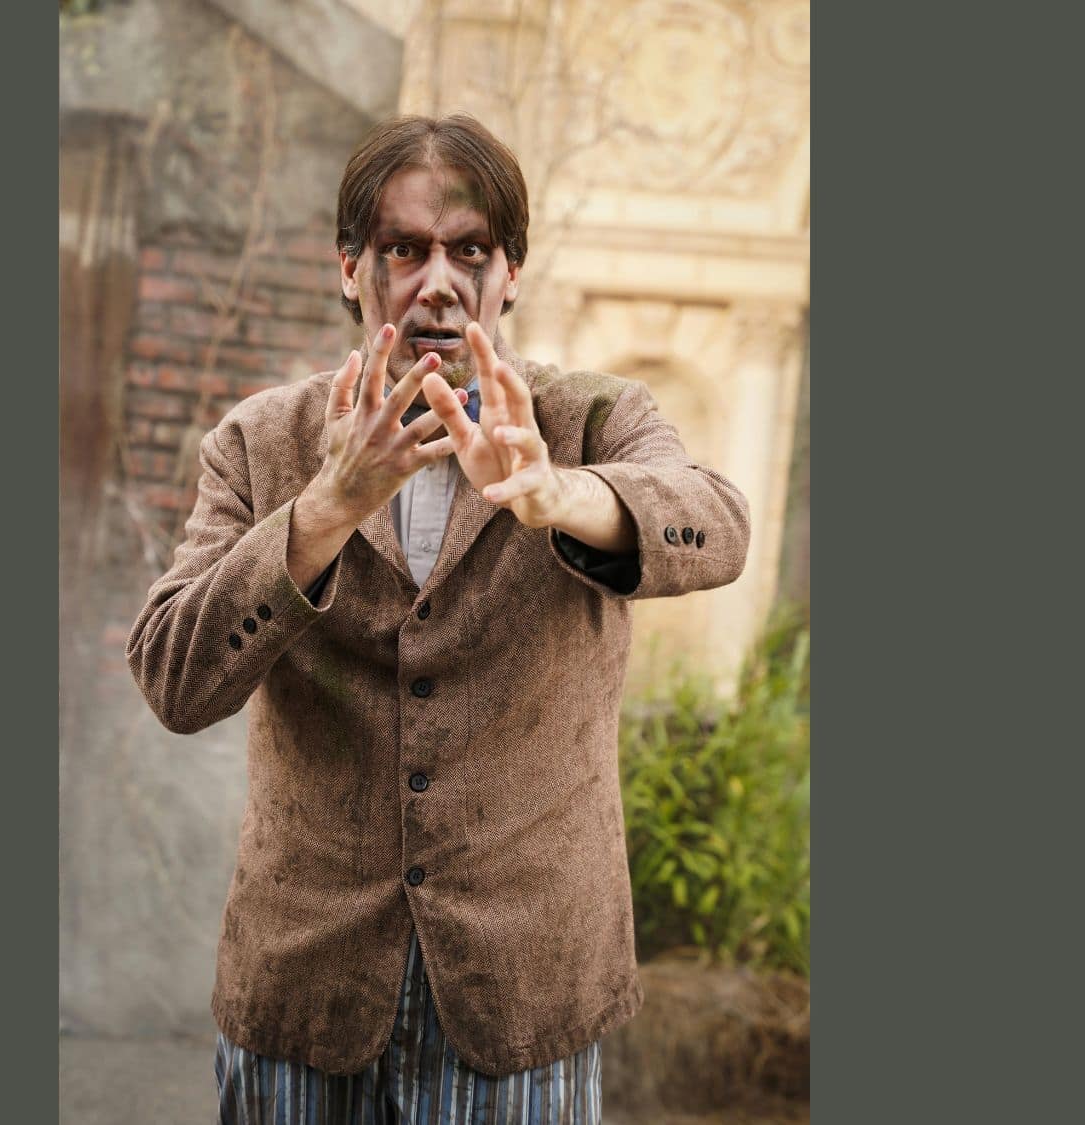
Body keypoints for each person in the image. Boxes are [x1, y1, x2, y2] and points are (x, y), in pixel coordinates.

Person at [125, 113, 750, 1124]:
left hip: (518, 997)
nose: (439, 280)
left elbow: (716, 525)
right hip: (305, 988)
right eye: (403, 249)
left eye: (469, 250)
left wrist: (557, 496)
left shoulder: (592, 418)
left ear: (509, 276)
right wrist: (323, 509)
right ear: (348, 269)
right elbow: (172, 677)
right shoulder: (257, 443)